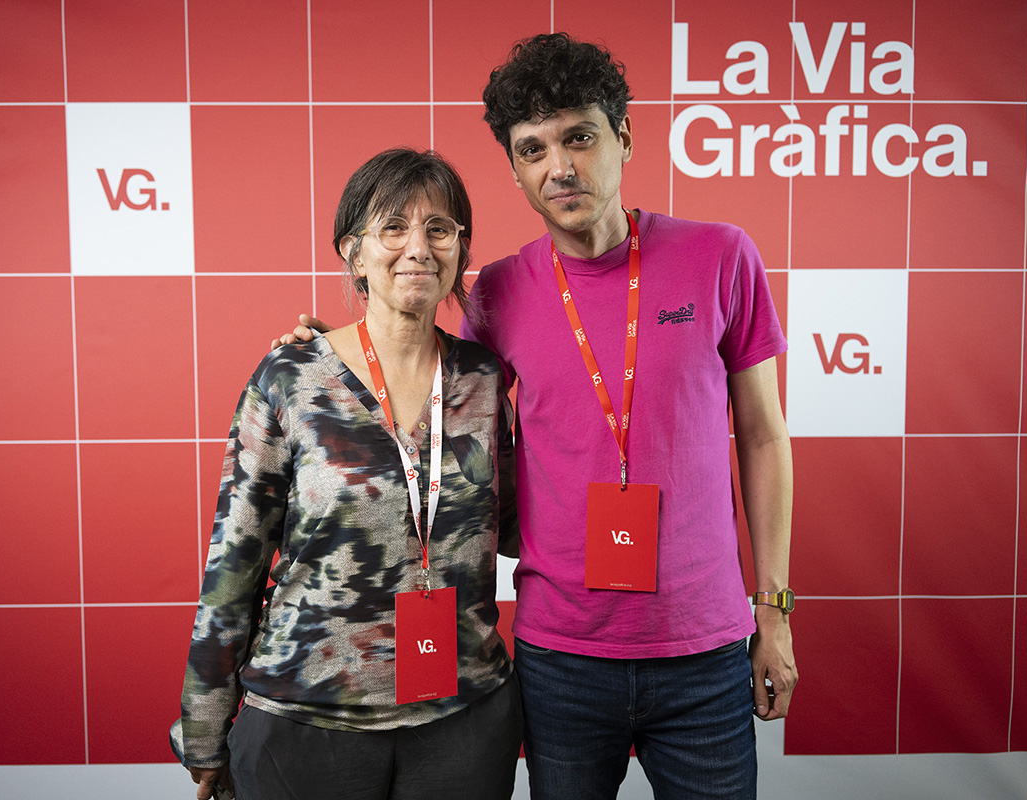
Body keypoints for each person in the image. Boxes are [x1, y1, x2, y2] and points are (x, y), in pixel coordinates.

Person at [279, 33, 796, 800]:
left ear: (624, 138)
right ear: (516, 169)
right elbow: (427, 387)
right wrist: (334, 353)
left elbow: (763, 436)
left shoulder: (721, 257)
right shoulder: (497, 291)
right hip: (561, 657)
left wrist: (774, 610)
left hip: (704, 650)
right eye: (533, 149)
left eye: (579, 138)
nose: (559, 167)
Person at [181, 148, 522, 800]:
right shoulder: (291, 377)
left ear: (459, 250)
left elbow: (511, 528)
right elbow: (235, 559)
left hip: (464, 718)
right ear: (353, 252)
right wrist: (205, 722)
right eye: (393, 227)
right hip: (306, 718)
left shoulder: (484, 379)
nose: (418, 247)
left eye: (439, 229)